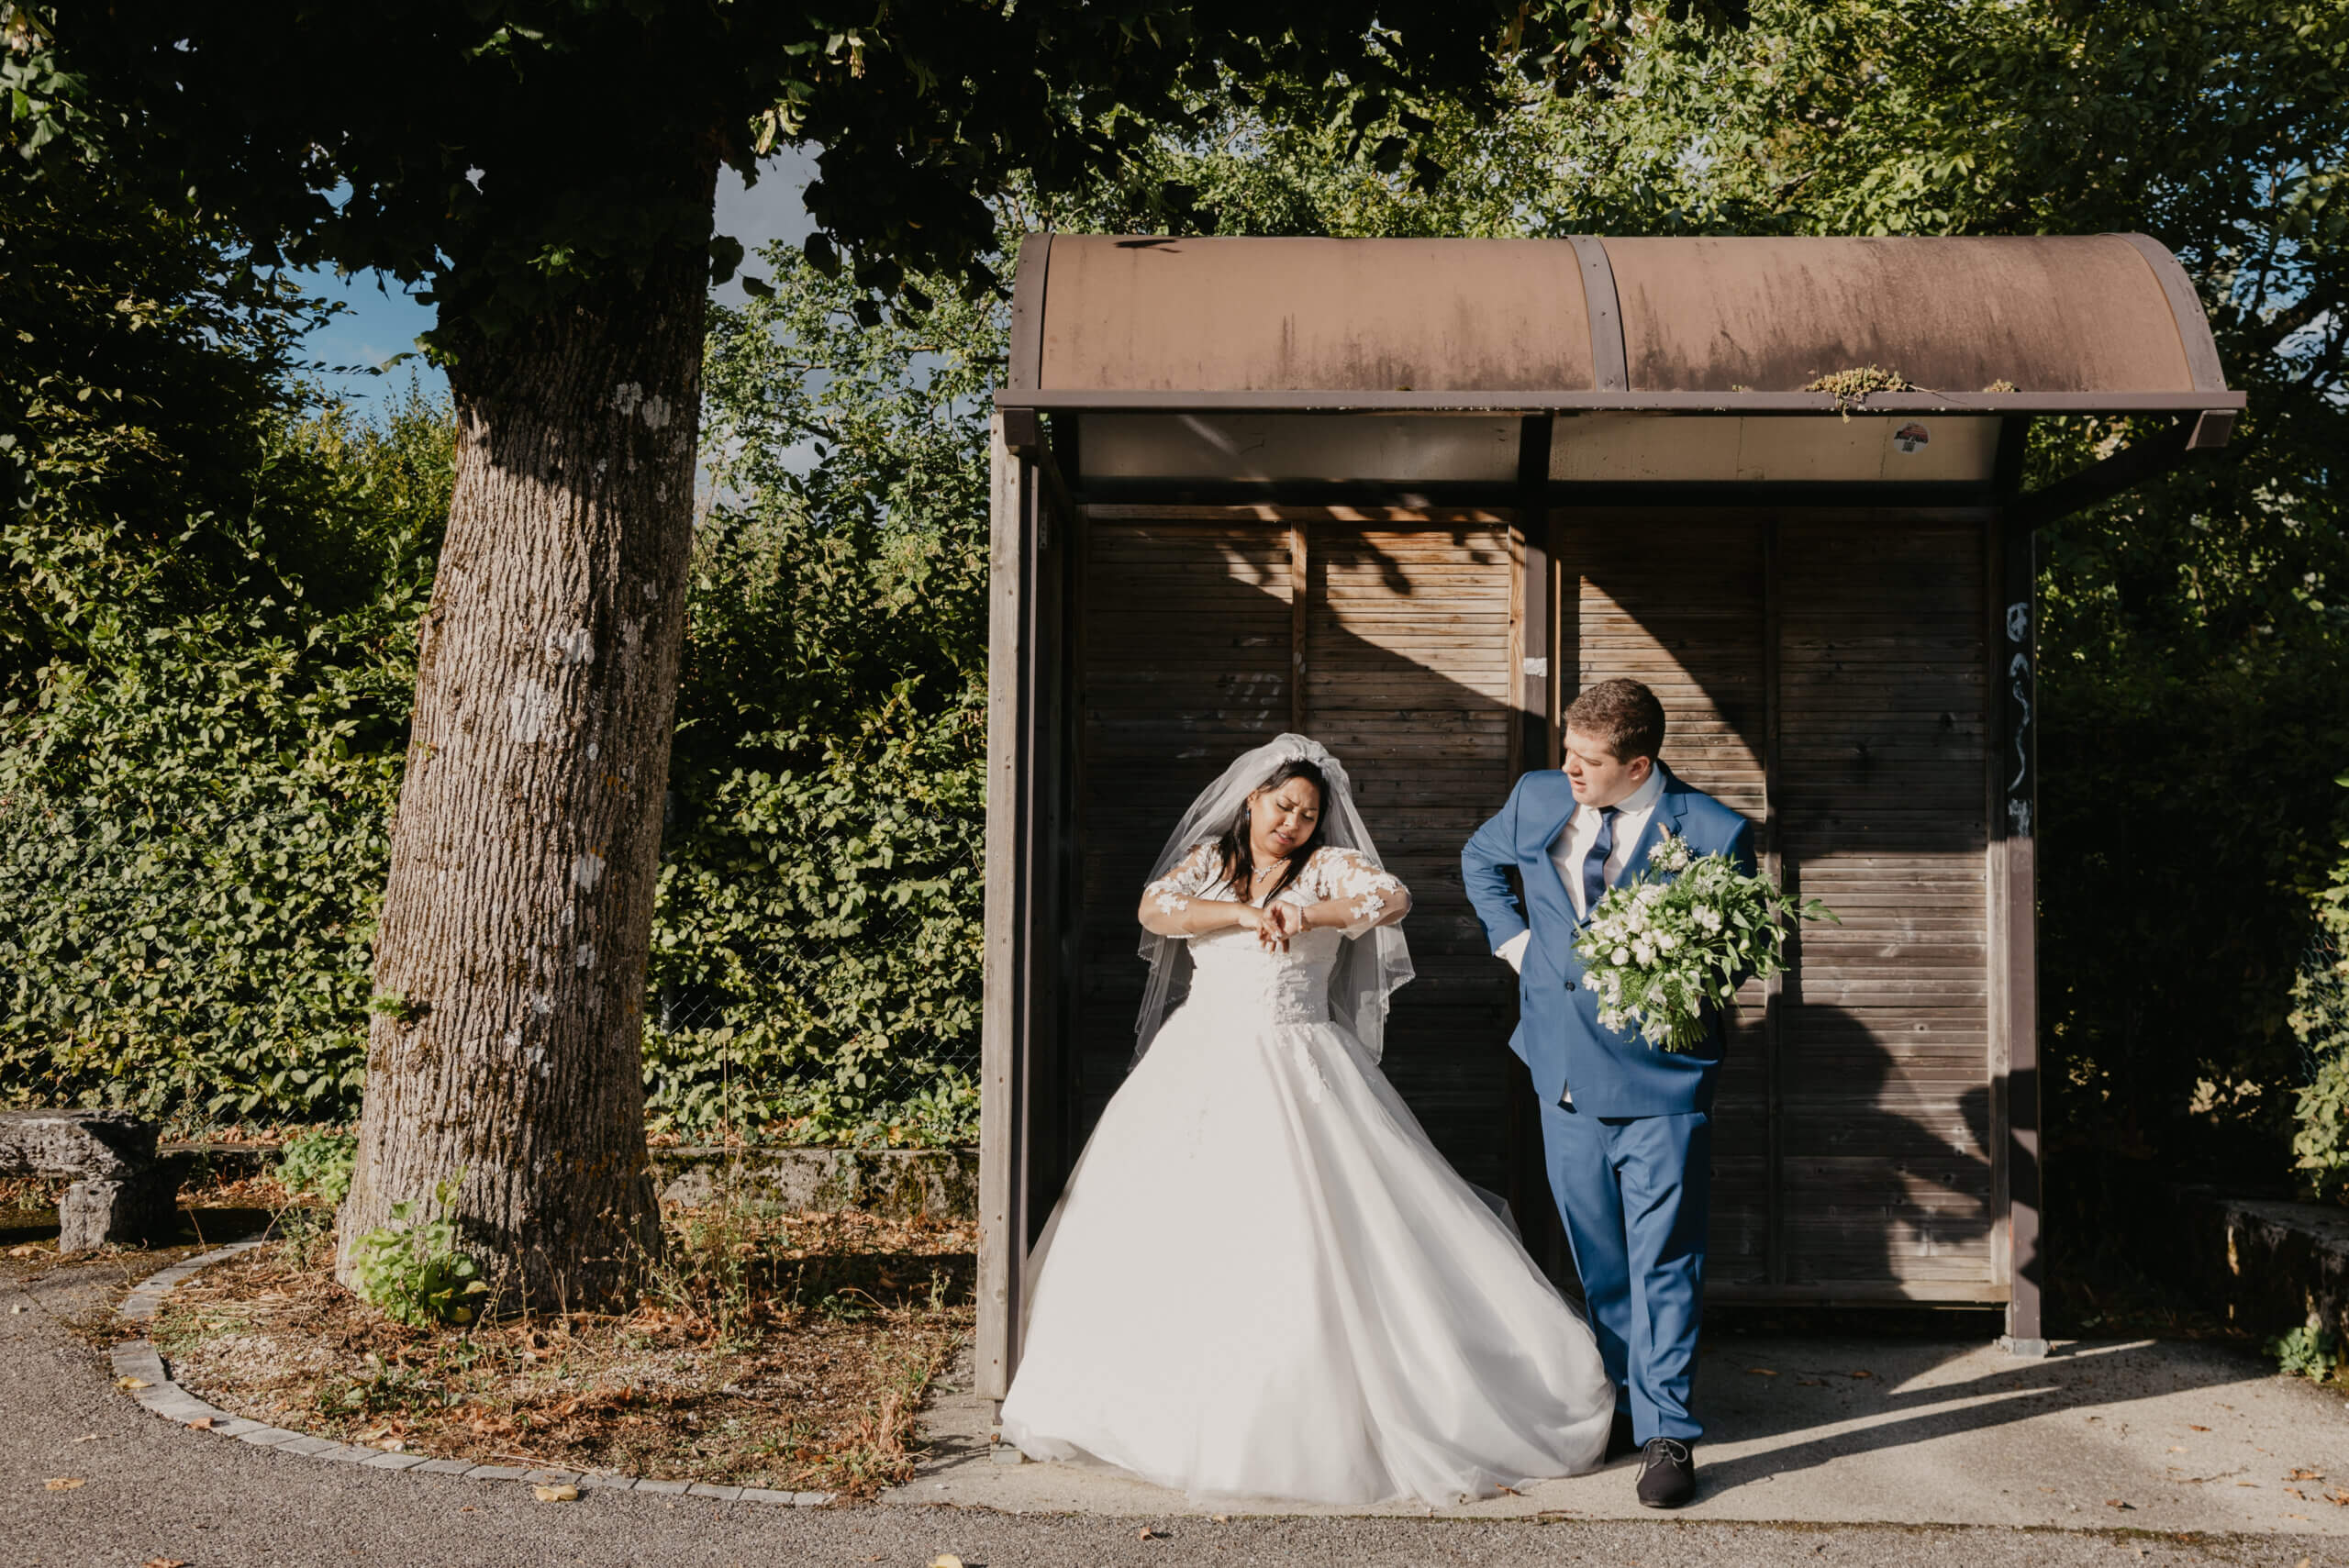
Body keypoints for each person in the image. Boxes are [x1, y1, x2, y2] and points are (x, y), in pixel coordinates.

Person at [997, 733, 1614, 1505]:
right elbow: (1155, 907)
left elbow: (1391, 897)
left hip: (1301, 1060)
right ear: (1252, 800)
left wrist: (1303, 908)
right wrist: (1240, 911)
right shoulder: (1212, 862)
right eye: (1283, 806)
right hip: (1198, 1062)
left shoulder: (1327, 866)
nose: (1292, 821)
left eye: (1308, 812)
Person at [1462, 678, 1756, 1508]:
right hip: (1559, 1075)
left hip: (1661, 1079)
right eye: (1566, 750)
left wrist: (1667, 974)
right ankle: (1628, 1399)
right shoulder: (1537, 797)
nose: (1569, 769)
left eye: (1587, 759)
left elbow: (1731, 958)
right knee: (1599, 1259)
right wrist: (1515, 943)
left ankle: (1670, 1431)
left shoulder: (1715, 831)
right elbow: (1480, 860)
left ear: (1640, 763)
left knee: (1664, 1256)